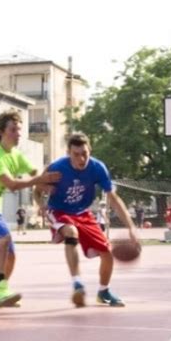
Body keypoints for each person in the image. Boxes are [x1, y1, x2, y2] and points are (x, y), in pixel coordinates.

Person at [0, 109, 60, 308]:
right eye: (14, 130)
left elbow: (36, 174)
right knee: (3, 238)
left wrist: (46, 190)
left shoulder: (16, 155)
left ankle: (0, 291)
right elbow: (12, 185)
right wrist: (40, 179)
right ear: (1, 132)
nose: (19, 134)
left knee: (11, 254)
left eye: (20, 130)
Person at [34, 132, 138, 308]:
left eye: (85, 153)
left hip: (83, 212)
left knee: (107, 253)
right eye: (76, 154)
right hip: (59, 210)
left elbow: (113, 198)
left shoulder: (98, 168)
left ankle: (103, 292)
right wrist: (40, 205)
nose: (81, 158)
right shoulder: (57, 167)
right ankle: (77, 284)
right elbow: (37, 189)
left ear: (90, 150)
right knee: (71, 233)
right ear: (69, 153)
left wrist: (131, 227)